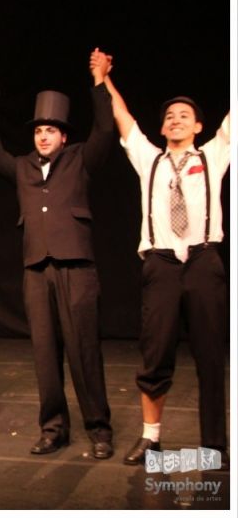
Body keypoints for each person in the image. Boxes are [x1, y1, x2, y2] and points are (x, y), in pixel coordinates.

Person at [0, 49, 115, 459]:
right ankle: (53, 428)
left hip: (77, 267)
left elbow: (106, 130)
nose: (43, 136)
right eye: (39, 130)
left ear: (64, 136)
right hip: (37, 269)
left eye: (51, 130)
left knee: (84, 350)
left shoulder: (80, 160)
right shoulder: (22, 167)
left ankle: (99, 428)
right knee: (43, 353)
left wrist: (99, 82)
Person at [101, 65, 230, 466]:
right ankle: (151, 439)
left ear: (199, 126)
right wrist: (104, 78)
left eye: (184, 115)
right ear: (162, 128)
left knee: (210, 356)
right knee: (155, 355)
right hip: (161, 265)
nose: (175, 120)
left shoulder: (214, 154)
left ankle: (215, 445)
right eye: (169, 116)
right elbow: (122, 118)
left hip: (203, 260)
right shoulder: (150, 159)